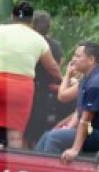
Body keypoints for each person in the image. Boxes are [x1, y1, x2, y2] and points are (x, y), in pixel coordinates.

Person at [0, 1, 61, 149]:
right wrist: (62, 79)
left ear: (13, 16)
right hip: (21, 88)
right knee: (15, 135)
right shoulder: (39, 40)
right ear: (31, 20)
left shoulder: (0, 30)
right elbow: (52, 67)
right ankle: (13, 170)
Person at [35, 42, 99, 161]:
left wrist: (75, 149)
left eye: (77, 56)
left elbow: (86, 119)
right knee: (47, 135)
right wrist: (64, 127)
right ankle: (36, 170)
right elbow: (66, 99)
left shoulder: (98, 82)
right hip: (89, 130)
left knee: (54, 138)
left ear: (91, 59)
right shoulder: (87, 79)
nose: (73, 59)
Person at [24, 10, 67, 146]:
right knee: (40, 128)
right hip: (47, 92)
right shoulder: (55, 45)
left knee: (25, 129)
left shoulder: (27, 42)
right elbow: (60, 63)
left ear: (32, 24)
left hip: (28, 88)